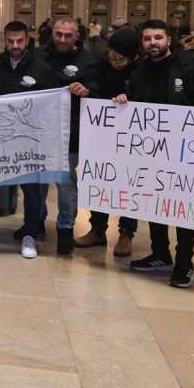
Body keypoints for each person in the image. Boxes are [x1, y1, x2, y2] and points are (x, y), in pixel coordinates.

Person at [117, 20, 194, 288]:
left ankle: (185, 263)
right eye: (147, 38)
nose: (153, 43)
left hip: (186, 151)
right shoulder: (140, 70)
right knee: (155, 203)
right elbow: (134, 101)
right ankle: (160, 254)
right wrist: (123, 100)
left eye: (158, 37)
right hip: (151, 151)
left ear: (169, 39)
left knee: (183, 209)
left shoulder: (190, 67)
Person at [0, 21, 55, 256]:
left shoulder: (41, 68)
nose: (15, 45)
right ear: (4, 40)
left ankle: (29, 236)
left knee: (31, 189)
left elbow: (51, 102)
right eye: (11, 41)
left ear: (27, 40)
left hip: (27, 139)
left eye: (20, 41)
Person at [73, 27, 140, 257]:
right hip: (101, 135)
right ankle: (97, 229)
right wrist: (87, 92)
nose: (115, 58)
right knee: (99, 179)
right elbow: (92, 88)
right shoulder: (99, 65)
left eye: (122, 56)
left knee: (129, 183)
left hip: (132, 139)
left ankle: (126, 232)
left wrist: (129, 98)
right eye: (113, 53)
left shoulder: (140, 70)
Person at [38, 17, 99, 254]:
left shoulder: (88, 60)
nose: (62, 39)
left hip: (71, 131)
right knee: (38, 181)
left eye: (68, 35)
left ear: (77, 36)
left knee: (66, 182)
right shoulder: (39, 56)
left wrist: (87, 91)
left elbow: (98, 89)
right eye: (59, 34)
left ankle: (65, 226)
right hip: (40, 130)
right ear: (52, 33)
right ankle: (35, 222)